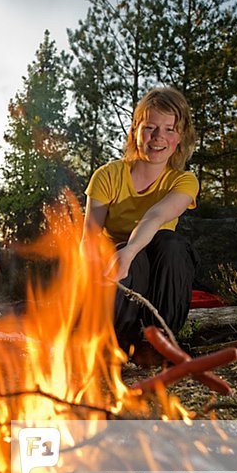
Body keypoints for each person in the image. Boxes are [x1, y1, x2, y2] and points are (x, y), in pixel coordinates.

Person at [81, 87, 200, 356]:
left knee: (171, 244)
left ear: (180, 137)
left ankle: (161, 345)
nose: (159, 137)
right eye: (150, 127)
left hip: (161, 277)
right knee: (128, 255)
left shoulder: (184, 181)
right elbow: (89, 239)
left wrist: (130, 251)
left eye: (170, 129)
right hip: (118, 278)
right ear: (135, 130)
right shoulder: (107, 176)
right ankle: (115, 345)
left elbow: (155, 216)